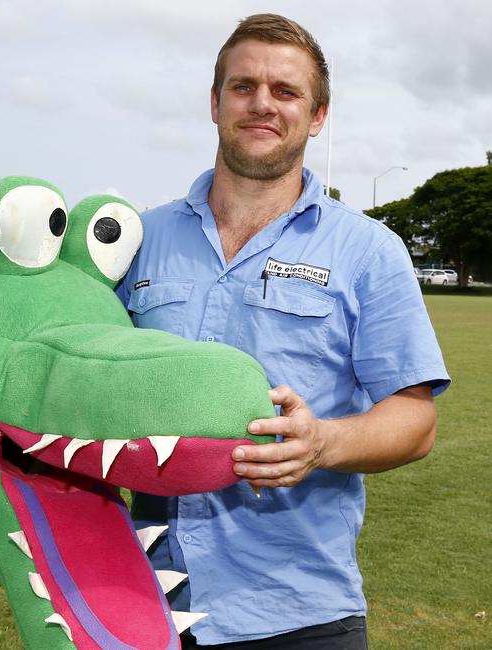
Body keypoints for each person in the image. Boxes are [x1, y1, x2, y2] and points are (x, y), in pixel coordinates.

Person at [117, 13, 449, 649]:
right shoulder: (137, 241)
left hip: (300, 615)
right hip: (139, 605)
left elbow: (415, 420)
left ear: (317, 115)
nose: (261, 103)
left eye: (286, 91)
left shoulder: (369, 250)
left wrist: (319, 442)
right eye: (243, 87)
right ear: (215, 103)